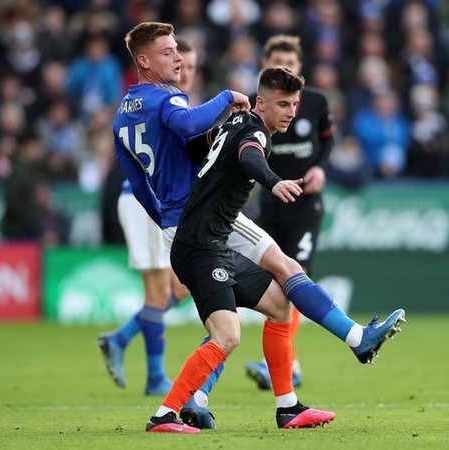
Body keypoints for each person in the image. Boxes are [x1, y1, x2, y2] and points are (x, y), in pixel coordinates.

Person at [112, 22, 405, 432]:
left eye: (178, 50)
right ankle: (171, 409)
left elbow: (143, 178)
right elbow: (198, 131)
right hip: (199, 226)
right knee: (229, 328)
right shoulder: (170, 103)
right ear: (143, 60)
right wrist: (227, 99)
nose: (178, 58)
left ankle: (290, 404)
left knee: (281, 298)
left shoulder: (124, 118)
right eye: (168, 52)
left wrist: (163, 215)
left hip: (191, 220)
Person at [96, 38, 202, 396]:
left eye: (191, 67)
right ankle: (155, 375)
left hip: (162, 204)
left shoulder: (177, 105)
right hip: (147, 204)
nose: (185, 72)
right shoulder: (166, 105)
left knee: (182, 288)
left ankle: (122, 338)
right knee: (160, 292)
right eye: (180, 64)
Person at [244, 35, 335, 390]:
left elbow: (327, 139)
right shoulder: (261, 110)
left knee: (298, 277)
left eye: (292, 63)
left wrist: (321, 169)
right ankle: (287, 365)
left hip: (305, 205)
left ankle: (285, 365)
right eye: (278, 63)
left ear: (301, 68)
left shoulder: (314, 103)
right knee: (275, 282)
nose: (286, 69)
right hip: (271, 202)